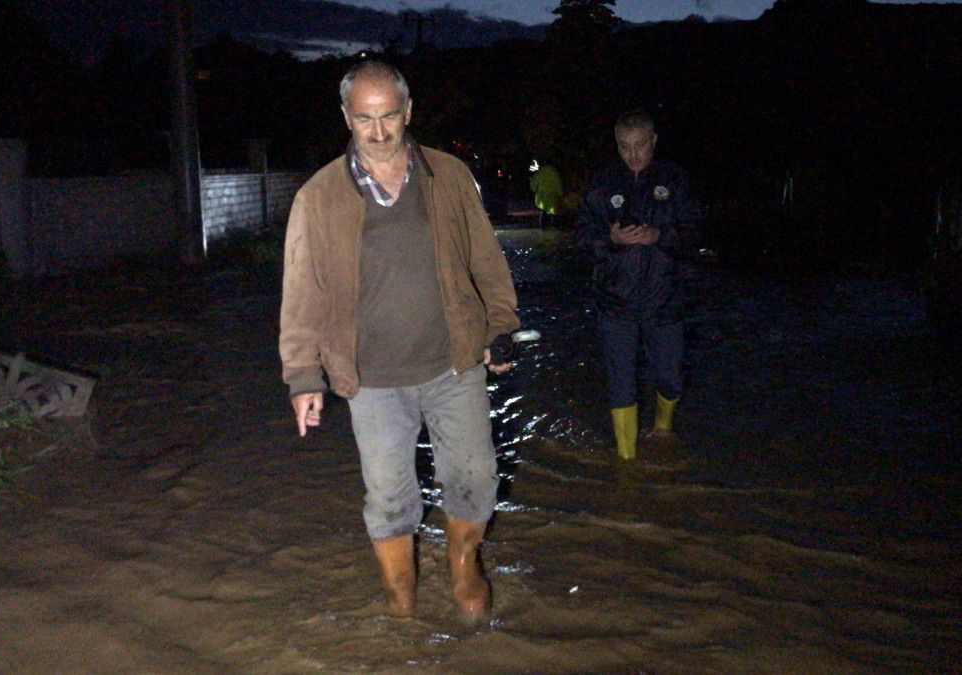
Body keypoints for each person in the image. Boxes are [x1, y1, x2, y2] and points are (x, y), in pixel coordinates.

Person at [278, 60, 520, 623]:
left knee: (476, 477)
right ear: (346, 117)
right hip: (371, 380)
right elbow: (301, 293)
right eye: (365, 119)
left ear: (409, 112)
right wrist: (303, 377)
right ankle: (401, 600)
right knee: (388, 498)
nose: (380, 132)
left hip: (454, 364)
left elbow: (486, 259)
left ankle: (463, 562)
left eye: (390, 117)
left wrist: (501, 328)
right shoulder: (318, 196)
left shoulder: (450, 175)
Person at [576, 110, 702, 461]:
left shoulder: (674, 179)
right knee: (621, 382)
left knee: (671, 376)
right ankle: (627, 464)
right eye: (624, 146)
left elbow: (695, 233)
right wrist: (611, 238)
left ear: (654, 141)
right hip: (615, 303)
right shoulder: (603, 183)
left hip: (666, 301)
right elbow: (583, 236)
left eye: (640, 145)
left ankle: (663, 429)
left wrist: (659, 235)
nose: (632, 154)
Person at [528, 160, 564, 228]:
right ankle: (554, 230)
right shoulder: (555, 173)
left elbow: (533, 187)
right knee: (553, 215)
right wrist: (560, 194)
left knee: (543, 214)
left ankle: (543, 229)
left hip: (542, 199)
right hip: (552, 198)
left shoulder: (539, 173)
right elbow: (559, 186)